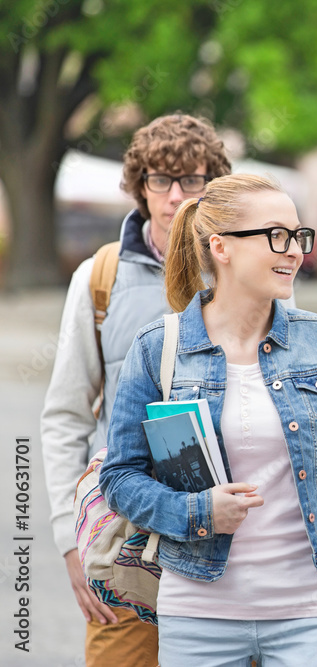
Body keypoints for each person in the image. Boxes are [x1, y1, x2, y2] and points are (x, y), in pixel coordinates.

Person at [99, 174, 317, 667]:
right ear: (221, 247)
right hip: (197, 610)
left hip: (311, 609)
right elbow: (120, 476)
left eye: (299, 236)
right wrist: (198, 513)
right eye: (276, 236)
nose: (295, 252)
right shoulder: (158, 348)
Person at [40, 114, 231, 666]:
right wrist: (69, 541)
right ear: (139, 187)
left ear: (211, 185)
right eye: (160, 181)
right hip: (122, 539)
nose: (175, 197)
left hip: (220, 537)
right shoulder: (99, 277)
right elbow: (66, 415)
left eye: (191, 180)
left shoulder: (242, 267)